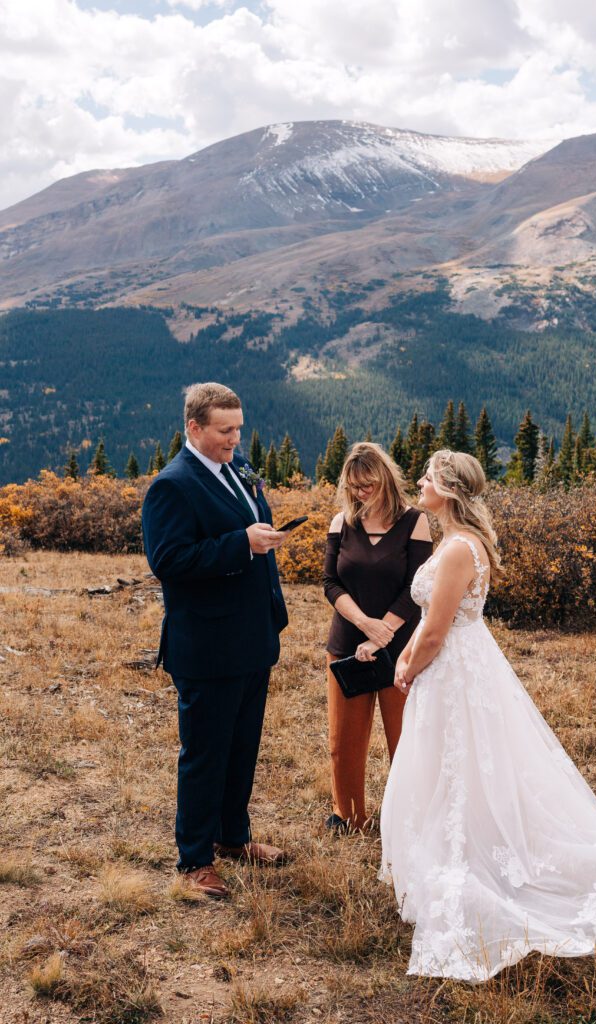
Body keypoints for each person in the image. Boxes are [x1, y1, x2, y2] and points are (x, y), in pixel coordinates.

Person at [380, 449, 596, 1002]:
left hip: (451, 670)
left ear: (446, 490)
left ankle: (468, 857)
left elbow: (435, 630)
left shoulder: (455, 550)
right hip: (465, 668)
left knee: (459, 764)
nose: (418, 484)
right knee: (460, 764)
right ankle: (463, 842)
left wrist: (405, 665)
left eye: (425, 477)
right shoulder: (459, 543)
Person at [142, 382, 289, 899]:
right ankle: (195, 859)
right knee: (205, 753)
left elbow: (245, 533)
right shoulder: (172, 485)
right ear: (194, 429)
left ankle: (233, 836)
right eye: (225, 431)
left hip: (251, 636)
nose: (235, 439)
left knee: (242, 747)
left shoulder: (236, 470)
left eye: (238, 429)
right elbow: (168, 561)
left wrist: (260, 538)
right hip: (206, 645)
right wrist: (240, 544)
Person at [323, 442, 432, 833]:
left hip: (401, 647)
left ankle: (408, 819)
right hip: (347, 646)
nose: (360, 493)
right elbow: (330, 582)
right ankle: (348, 816)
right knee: (344, 741)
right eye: (353, 486)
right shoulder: (341, 522)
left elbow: (416, 588)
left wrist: (383, 631)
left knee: (404, 739)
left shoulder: (413, 522)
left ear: (385, 479)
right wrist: (365, 626)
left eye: (367, 484)